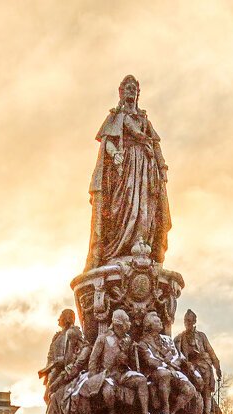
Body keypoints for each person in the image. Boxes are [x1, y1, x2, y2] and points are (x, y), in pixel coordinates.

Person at [85, 74, 171, 270]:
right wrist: (115, 154)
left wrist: (162, 167)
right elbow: (108, 142)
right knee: (121, 207)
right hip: (124, 168)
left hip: (146, 169)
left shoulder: (143, 119)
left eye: (134, 88)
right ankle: (118, 249)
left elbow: (155, 144)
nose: (131, 90)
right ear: (121, 93)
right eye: (127, 88)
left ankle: (142, 243)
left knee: (145, 209)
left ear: (138, 94)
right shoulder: (116, 117)